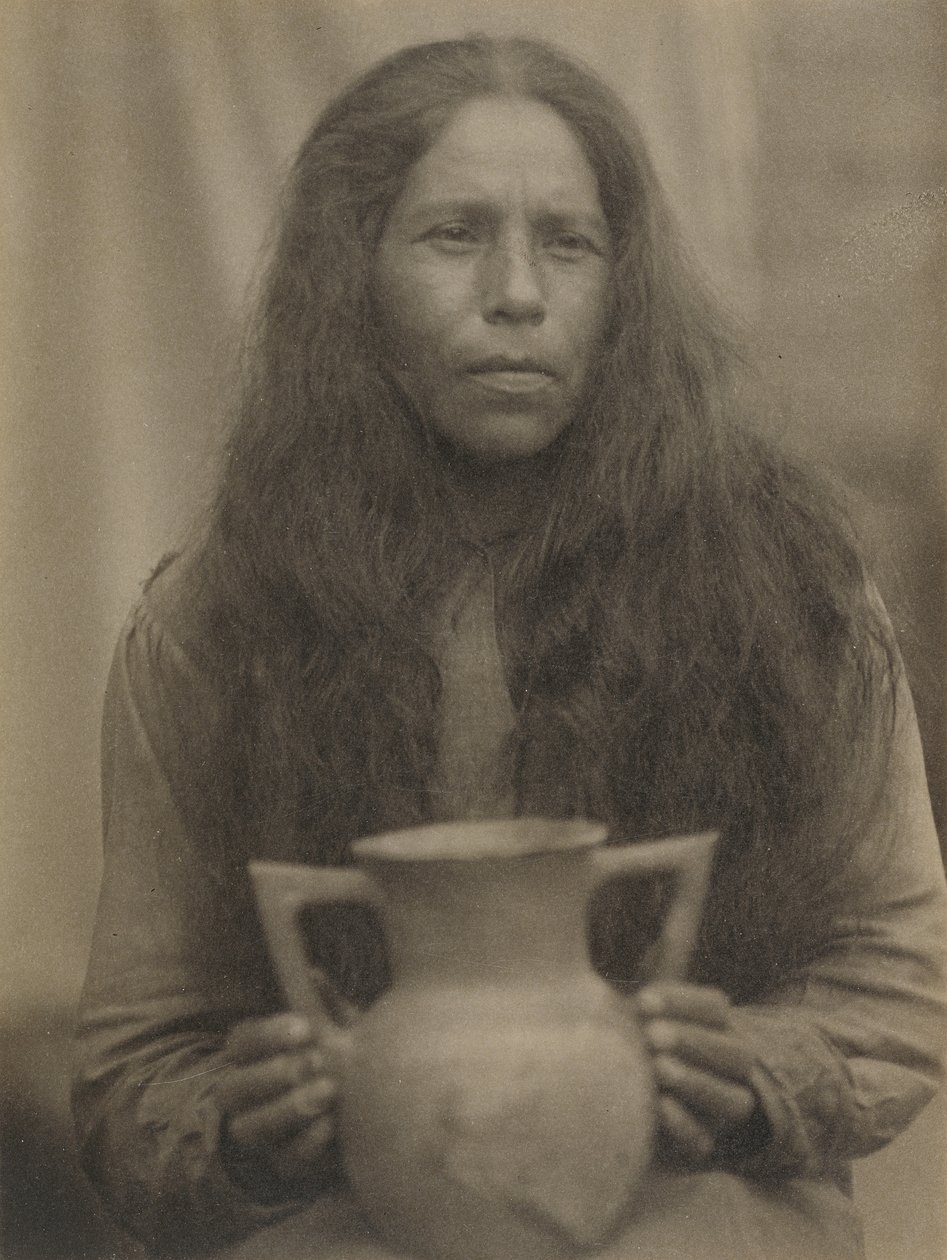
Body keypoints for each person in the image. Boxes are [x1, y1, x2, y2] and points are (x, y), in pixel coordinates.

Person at [72, 35, 946, 1260]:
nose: (518, 294)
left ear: (624, 287)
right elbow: (133, 1070)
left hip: (694, 1206)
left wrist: (744, 1066)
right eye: (453, 235)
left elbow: (895, 976)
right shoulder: (213, 624)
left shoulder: (787, 588)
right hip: (359, 1212)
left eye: (568, 243)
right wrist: (245, 1120)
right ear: (350, 282)